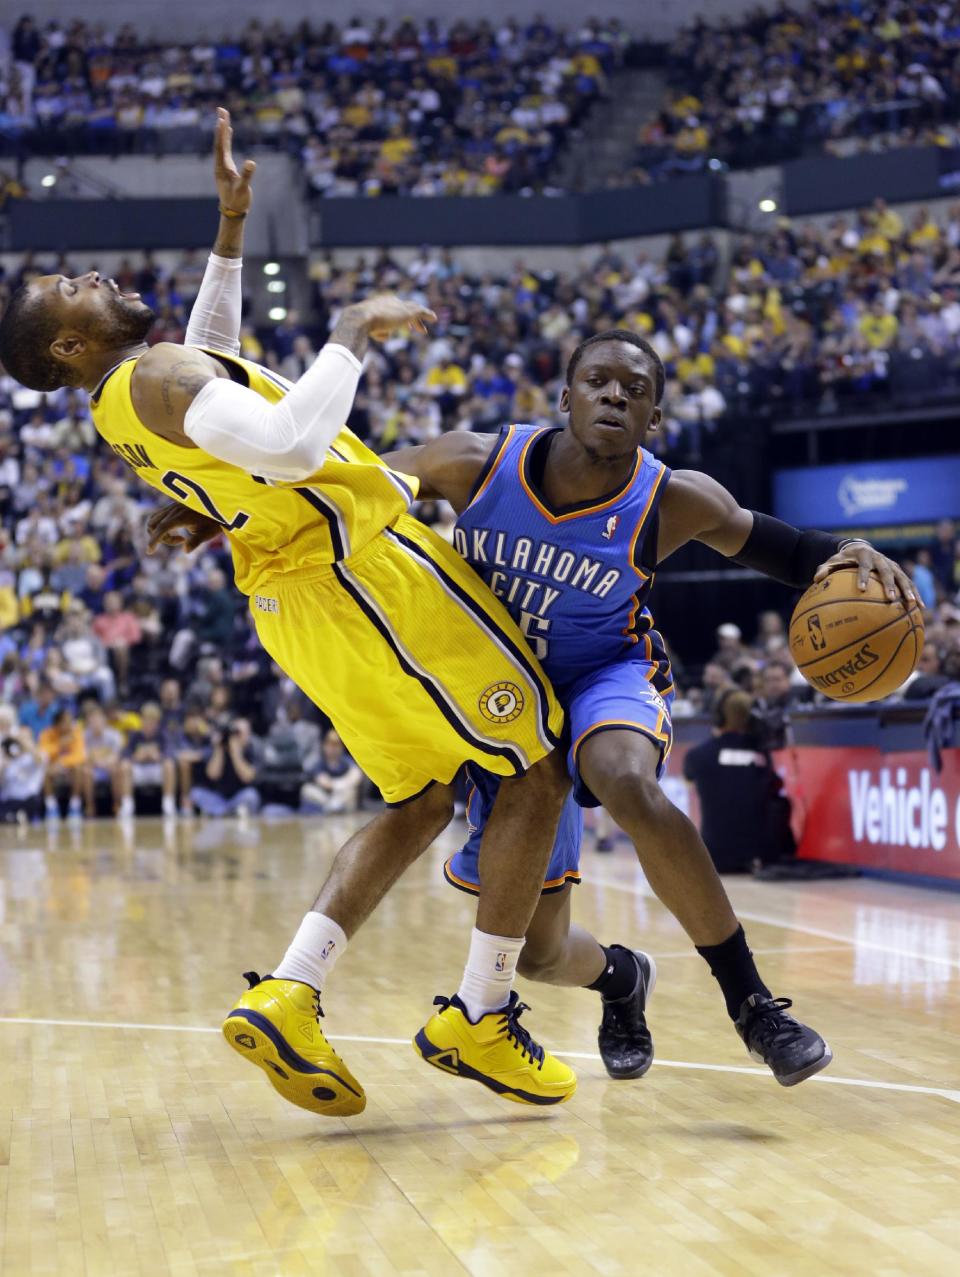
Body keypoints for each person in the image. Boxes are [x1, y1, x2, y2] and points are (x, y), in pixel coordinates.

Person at [0, 107, 573, 1115]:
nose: (96, 276)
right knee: (530, 765)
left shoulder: (128, 399)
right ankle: (479, 1013)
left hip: (298, 597)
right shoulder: (152, 376)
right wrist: (347, 335)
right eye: (73, 288)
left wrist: (230, 228)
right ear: (72, 341)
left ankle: (293, 991)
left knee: (424, 797)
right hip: (360, 578)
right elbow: (292, 447)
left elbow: (212, 379)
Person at [342, 328, 913, 1087]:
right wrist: (234, 513)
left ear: (653, 420)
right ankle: (620, 978)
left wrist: (852, 550)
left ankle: (753, 1006)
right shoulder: (474, 462)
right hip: (506, 705)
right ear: (565, 397)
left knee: (627, 779)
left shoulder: (673, 498)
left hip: (608, 672)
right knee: (542, 954)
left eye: (635, 390)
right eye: (601, 381)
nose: (616, 395)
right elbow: (350, 487)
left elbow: (780, 547)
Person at [683, 689, 794, 872]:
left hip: (715, 859)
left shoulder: (697, 755)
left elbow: (688, 780)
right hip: (760, 858)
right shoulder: (763, 755)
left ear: (718, 717)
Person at [190, 716, 262, 817]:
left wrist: (236, 753)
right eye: (234, 733)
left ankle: (220, 813)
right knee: (196, 793)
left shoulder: (252, 750)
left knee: (251, 795)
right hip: (219, 798)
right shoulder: (220, 748)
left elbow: (247, 777)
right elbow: (212, 775)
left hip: (240, 797)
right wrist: (218, 749)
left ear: (248, 734)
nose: (236, 736)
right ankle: (227, 812)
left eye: (239, 733)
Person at [118, 701, 177, 818]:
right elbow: (125, 754)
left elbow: (170, 754)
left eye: (152, 720)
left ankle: (168, 804)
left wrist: (157, 756)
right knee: (124, 766)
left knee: (169, 765)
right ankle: (127, 805)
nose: (149, 723)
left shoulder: (163, 735)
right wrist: (136, 757)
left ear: (157, 722)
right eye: (146, 720)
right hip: (139, 769)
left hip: (157, 769)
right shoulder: (134, 735)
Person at [38, 706, 87, 822]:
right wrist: (60, 745)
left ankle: (74, 806)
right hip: (52, 769)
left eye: (71, 721)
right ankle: (51, 807)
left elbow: (80, 756)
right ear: (58, 723)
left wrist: (62, 763)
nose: (70, 724)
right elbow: (42, 754)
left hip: (69, 768)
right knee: (44, 771)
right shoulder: (46, 734)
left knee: (79, 769)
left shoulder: (76, 733)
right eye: (67, 721)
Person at [301, 729, 363, 814]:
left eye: (336, 744)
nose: (333, 748)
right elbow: (323, 782)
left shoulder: (346, 761)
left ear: (341, 746)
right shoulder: (320, 762)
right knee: (307, 789)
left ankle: (336, 807)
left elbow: (356, 775)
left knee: (351, 792)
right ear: (324, 745)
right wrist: (339, 784)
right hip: (326, 797)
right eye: (330, 744)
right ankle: (330, 807)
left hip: (343, 795)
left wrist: (339, 786)